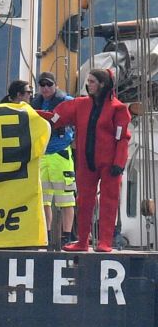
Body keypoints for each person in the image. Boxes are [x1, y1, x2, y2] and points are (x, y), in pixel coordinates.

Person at [38, 68, 132, 252]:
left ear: (102, 84)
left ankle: (105, 241)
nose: (88, 84)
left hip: (110, 164)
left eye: (92, 81)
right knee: (84, 200)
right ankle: (82, 241)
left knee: (108, 200)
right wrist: (34, 115)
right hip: (86, 164)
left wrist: (119, 163)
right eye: (88, 81)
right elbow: (56, 118)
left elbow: (123, 138)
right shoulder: (80, 105)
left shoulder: (118, 109)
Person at [31, 72, 76, 245]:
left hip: (61, 153)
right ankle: (47, 234)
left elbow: (80, 113)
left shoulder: (67, 100)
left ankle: (66, 235)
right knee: (44, 200)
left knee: (66, 199)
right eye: (42, 85)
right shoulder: (35, 103)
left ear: (56, 85)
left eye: (49, 84)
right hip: (42, 154)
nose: (46, 88)